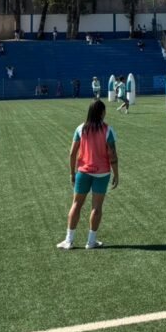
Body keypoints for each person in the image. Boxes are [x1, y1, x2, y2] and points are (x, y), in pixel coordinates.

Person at [57, 99, 119, 250]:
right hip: (102, 173)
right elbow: (112, 155)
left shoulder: (80, 128)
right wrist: (116, 174)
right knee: (96, 207)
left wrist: (72, 172)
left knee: (76, 204)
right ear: (102, 112)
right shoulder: (108, 130)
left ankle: (68, 240)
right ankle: (91, 242)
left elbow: (72, 153)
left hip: (83, 172)